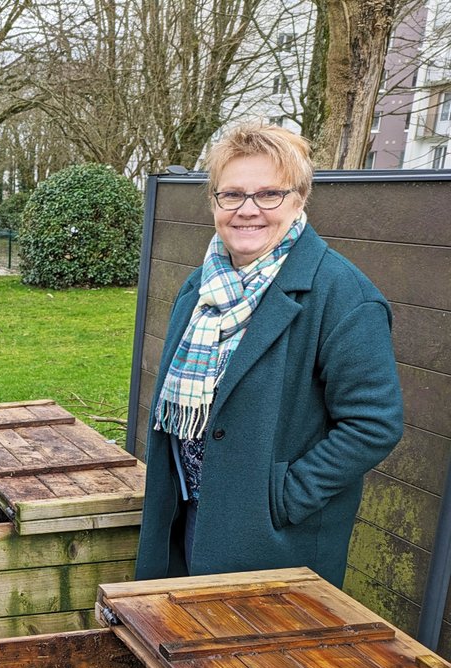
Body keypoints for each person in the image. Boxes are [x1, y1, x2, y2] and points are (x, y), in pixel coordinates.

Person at [136, 122, 403, 586]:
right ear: (214, 203)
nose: (248, 210)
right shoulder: (202, 286)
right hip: (188, 513)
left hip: (268, 538)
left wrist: (281, 498)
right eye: (232, 194)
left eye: (268, 195)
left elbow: (373, 424)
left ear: (299, 199)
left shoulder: (341, 295)